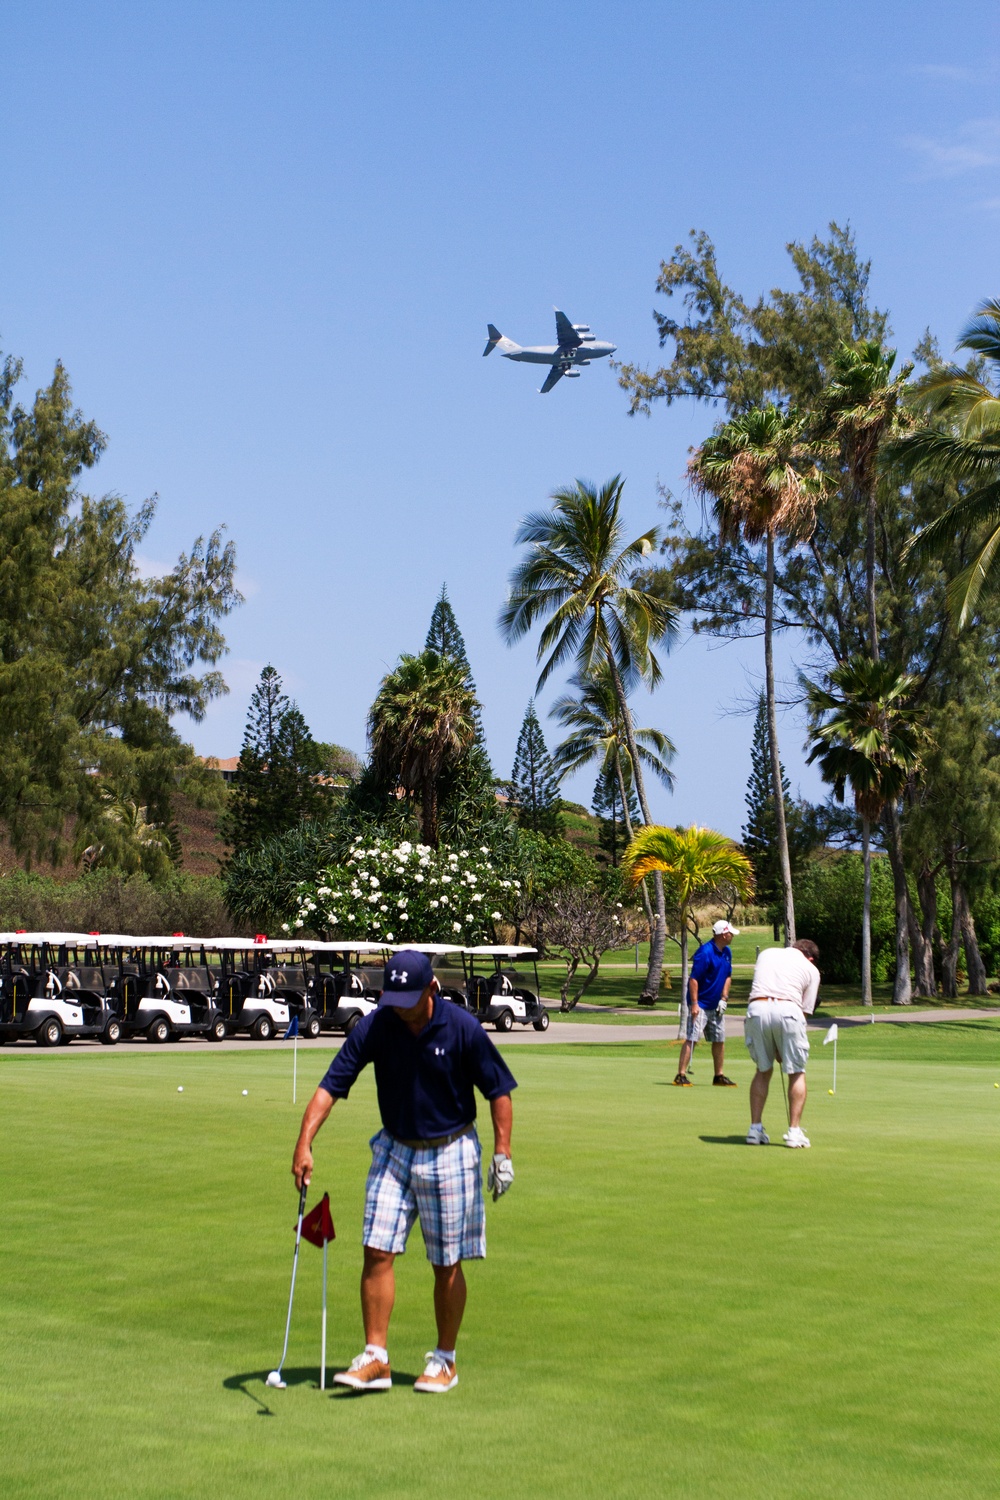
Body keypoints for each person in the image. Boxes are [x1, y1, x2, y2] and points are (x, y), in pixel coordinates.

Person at [291, 949, 516, 1394]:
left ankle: (445, 1361)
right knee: (376, 1249)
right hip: (394, 1148)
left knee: (446, 1263)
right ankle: (376, 1358)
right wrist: (304, 1142)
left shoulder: (462, 1027)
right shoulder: (378, 1024)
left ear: (431, 989)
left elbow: (498, 1090)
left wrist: (502, 1153)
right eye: (393, 996)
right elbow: (331, 1085)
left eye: (408, 997)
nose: (399, 1006)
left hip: (451, 1149)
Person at [743, 938, 821, 1148]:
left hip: (756, 1008)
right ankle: (794, 1132)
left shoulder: (767, 953)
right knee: (796, 1071)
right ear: (811, 958)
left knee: (763, 1069)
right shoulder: (811, 970)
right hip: (788, 1010)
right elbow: (804, 1013)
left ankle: (754, 1130)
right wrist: (782, 1049)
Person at [673, 919, 738, 1087]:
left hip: (716, 1005)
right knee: (692, 1038)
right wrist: (694, 1004)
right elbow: (694, 980)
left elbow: (728, 976)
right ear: (724, 934)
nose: (732, 935)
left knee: (719, 1039)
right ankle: (680, 1074)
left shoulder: (727, 952)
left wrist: (724, 998)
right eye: (730, 933)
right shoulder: (705, 952)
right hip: (700, 1004)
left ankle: (719, 1075)